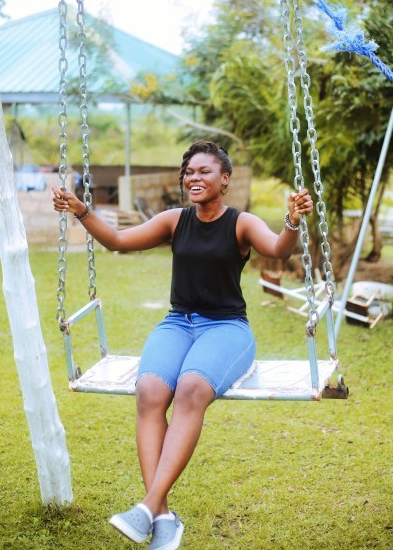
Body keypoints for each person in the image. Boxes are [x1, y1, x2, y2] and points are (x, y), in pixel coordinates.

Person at [52, 140, 313, 550]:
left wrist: (293, 221)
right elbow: (118, 241)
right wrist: (81, 210)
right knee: (150, 390)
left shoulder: (241, 223)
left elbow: (279, 249)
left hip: (227, 328)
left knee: (191, 388)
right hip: (179, 323)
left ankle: (148, 507)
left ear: (224, 180)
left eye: (204, 171)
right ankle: (163, 519)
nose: (194, 177)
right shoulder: (176, 220)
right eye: (189, 171)